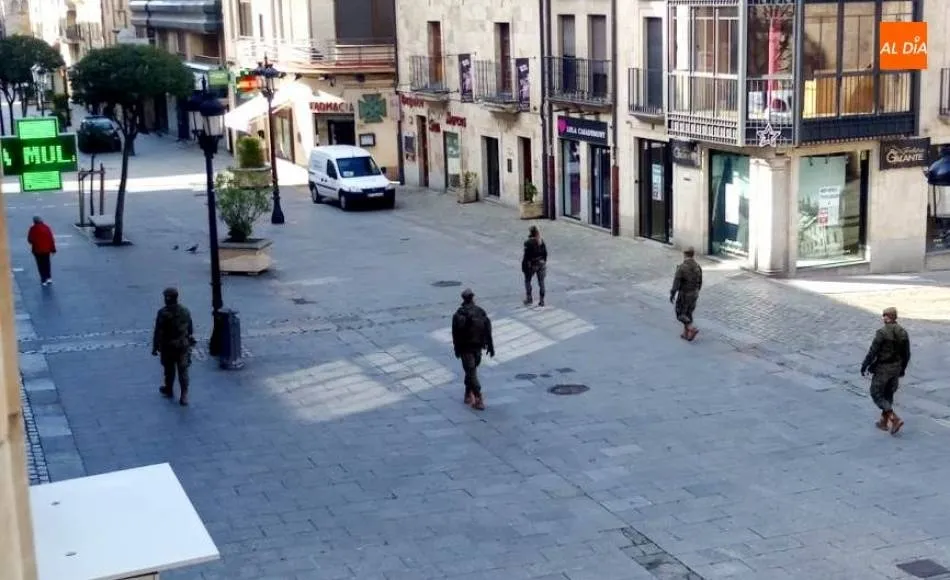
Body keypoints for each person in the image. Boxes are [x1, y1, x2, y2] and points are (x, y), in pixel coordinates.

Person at [861, 307, 911, 434]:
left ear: (890, 317)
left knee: (876, 392)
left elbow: (873, 352)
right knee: (888, 394)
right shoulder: (903, 332)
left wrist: (865, 365)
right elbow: (907, 354)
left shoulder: (882, 333)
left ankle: (894, 419)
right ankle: (883, 422)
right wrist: (902, 368)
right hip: (896, 367)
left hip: (883, 368)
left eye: (885, 316)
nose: (883, 318)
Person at [152, 287, 196, 406]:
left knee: (169, 370)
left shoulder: (163, 313)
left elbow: (158, 331)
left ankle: (169, 389)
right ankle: (184, 395)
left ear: (167, 298)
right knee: (183, 371)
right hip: (183, 346)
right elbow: (190, 328)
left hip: (168, 346)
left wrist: (155, 347)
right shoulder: (185, 311)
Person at [452, 288, 494, 410]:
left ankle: (477, 397)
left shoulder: (459, 315)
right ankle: (471, 395)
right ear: (473, 298)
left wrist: (456, 349)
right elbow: (488, 329)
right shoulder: (480, 311)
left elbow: (455, 334)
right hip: (478, 347)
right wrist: (490, 346)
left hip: (466, 348)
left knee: (471, 371)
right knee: (471, 371)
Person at [670, 247, 703, 341]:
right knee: (689, 312)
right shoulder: (697, 266)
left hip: (685, 293)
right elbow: (700, 281)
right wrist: (697, 291)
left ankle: (691, 328)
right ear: (693, 255)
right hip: (695, 293)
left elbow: (676, 282)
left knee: (680, 313)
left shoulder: (682, 267)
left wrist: (672, 293)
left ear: (684, 254)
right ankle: (686, 333)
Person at [522, 225, 548, 307]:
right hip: (541, 263)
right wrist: (543, 261)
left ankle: (529, 298)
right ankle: (542, 300)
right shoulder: (541, 241)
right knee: (541, 282)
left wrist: (525, 266)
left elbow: (526, 256)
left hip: (532, 264)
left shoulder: (528, 242)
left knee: (527, 281)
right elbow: (545, 253)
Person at [27, 216, 56, 286]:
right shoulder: (46, 227)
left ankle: (43, 279)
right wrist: (53, 249)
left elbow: (30, 240)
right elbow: (51, 239)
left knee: (40, 265)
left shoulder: (32, 229)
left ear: (34, 221)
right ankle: (49, 277)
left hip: (37, 250)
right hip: (46, 250)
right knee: (47, 263)